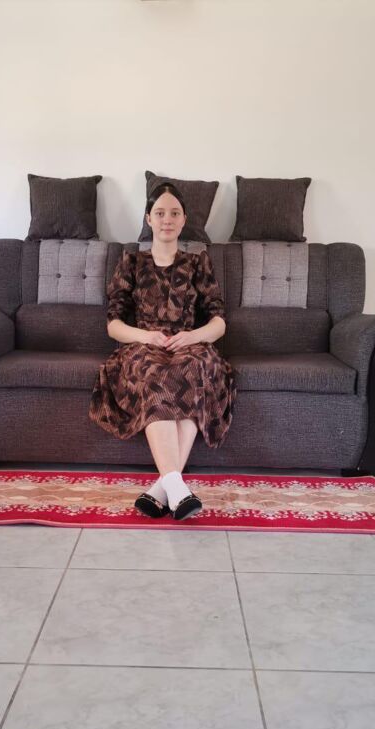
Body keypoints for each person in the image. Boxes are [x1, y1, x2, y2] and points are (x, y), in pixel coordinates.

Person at [88, 182, 237, 521]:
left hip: (190, 345)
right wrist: (146, 336)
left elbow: (219, 321)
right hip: (143, 345)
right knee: (155, 373)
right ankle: (176, 487)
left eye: (174, 213)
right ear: (149, 219)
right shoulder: (131, 262)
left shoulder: (198, 262)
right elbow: (113, 324)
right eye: (160, 213)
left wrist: (192, 336)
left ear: (183, 220)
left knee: (193, 369)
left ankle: (163, 488)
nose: (167, 219)